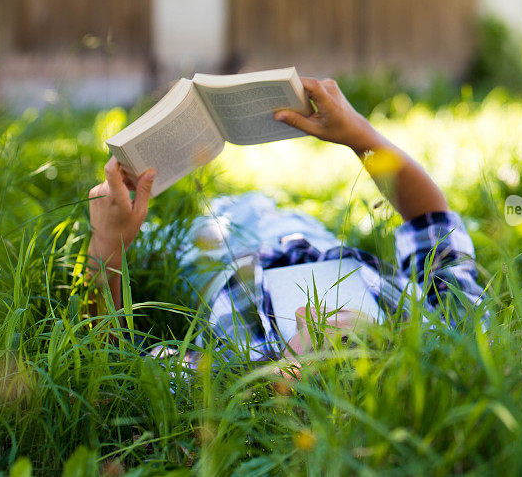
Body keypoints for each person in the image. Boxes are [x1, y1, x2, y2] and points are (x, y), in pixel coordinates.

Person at [85, 77, 486, 366]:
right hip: (301, 230)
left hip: (210, 250)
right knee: (265, 206)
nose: (336, 330)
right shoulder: (434, 330)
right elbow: (432, 222)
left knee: (147, 228)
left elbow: (119, 363)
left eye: (326, 357)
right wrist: (359, 135)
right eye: (349, 344)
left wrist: (105, 246)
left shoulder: (239, 368)